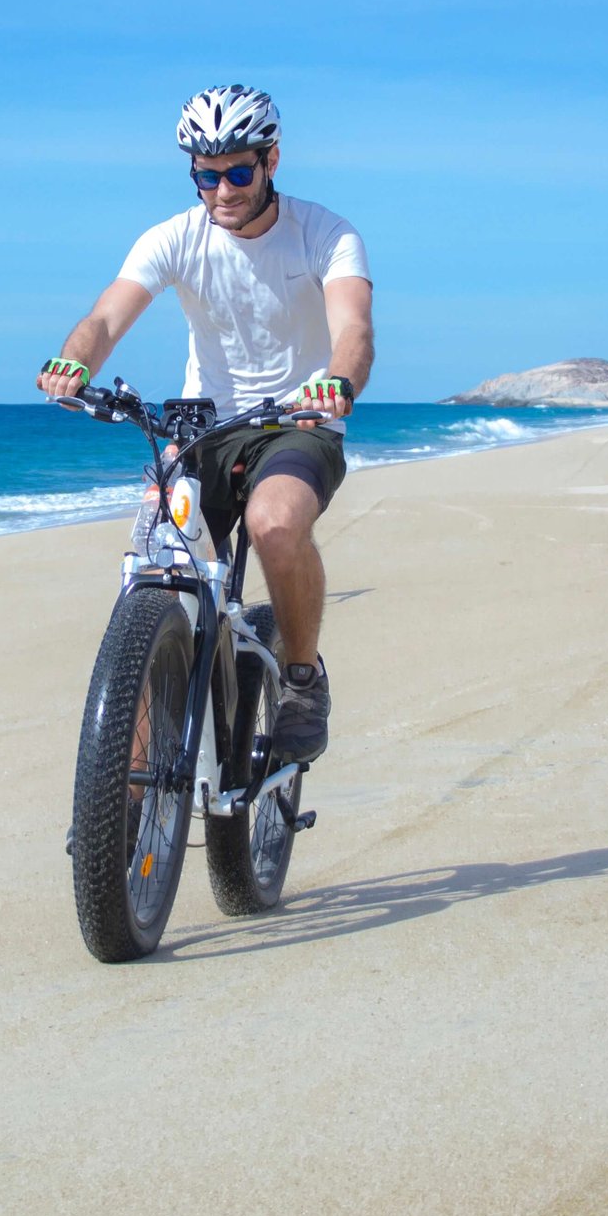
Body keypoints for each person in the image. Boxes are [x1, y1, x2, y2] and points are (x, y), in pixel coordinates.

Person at [37, 84, 374, 764]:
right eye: (206, 176)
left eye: (239, 173)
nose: (222, 191)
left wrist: (338, 381)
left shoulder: (326, 234)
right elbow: (105, 318)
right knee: (156, 573)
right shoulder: (174, 237)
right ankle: (125, 798)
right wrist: (73, 362)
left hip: (298, 420)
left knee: (273, 523)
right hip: (204, 429)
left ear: (271, 160)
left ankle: (302, 681)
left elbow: (354, 331)